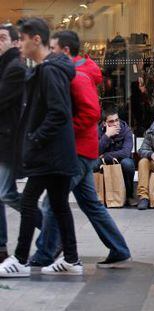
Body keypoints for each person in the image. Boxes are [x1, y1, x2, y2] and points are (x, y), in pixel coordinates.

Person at [29, 30, 131, 269]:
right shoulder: (74, 72)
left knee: (52, 202)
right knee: (90, 204)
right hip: (82, 150)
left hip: (76, 151)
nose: (49, 53)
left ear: (64, 50)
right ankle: (119, 248)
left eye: (52, 49)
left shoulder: (76, 74)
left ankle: (45, 252)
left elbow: (91, 112)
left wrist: (63, 130)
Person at [0, 18, 81, 277]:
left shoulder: (49, 70)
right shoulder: (48, 69)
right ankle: (71, 259)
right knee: (58, 206)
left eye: (22, 39)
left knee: (29, 202)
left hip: (49, 153)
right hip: (55, 153)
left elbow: (59, 112)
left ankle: (20, 260)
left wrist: (35, 137)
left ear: (36, 39)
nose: (19, 44)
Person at [0, 24, 28, 263]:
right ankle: (0, 248)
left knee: (7, 194)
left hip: (8, 143)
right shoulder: (6, 66)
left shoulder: (14, 68)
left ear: (16, 42)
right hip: (4, 142)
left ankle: (52, 233)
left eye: (2, 38)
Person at [97, 108, 136, 206]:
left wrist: (106, 155)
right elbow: (95, 152)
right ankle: (99, 196)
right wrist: (106, 136)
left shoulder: (126, 130)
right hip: (104, 162)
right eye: (111, 121)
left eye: (116, 120)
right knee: (92, 164)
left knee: (127, 163)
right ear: (104, 123)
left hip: (120, 160)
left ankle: (129, 195)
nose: (115, 124)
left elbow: (126, 153)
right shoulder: (98, 131)